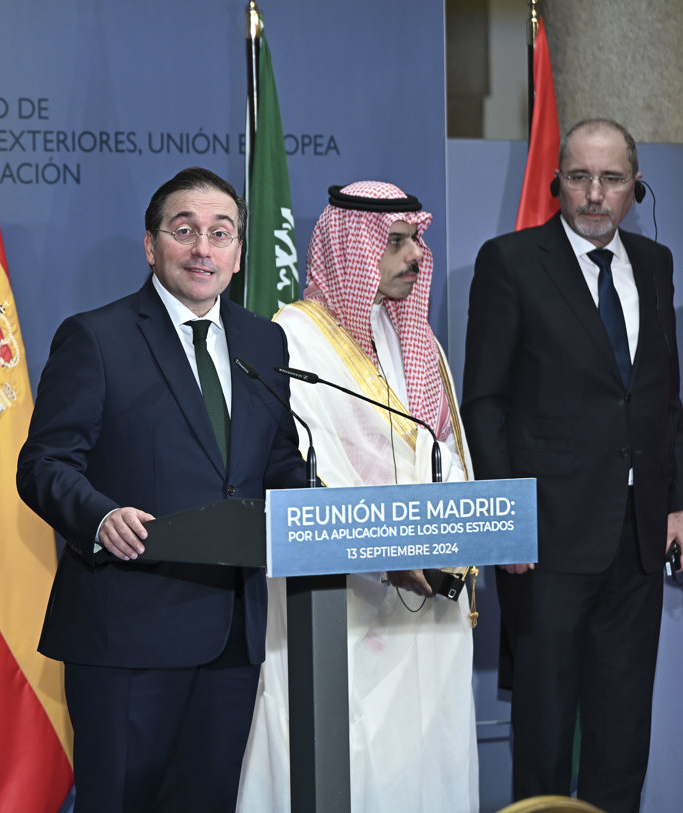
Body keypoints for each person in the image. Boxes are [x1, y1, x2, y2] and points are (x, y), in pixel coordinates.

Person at [16, 166, 307, 812]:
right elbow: (43, 463)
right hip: (128, 637)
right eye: (185, 230)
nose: (204, 248)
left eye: (221, 233)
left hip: (231, 638)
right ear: (151, 245)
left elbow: (278, 461)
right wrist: (99, 515)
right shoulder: (97, 337)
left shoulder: (264, 340)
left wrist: (316, 508)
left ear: (237, 253)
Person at [237, 181, 479, 813]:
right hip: (344, 594)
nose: (414, 257)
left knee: (425, 750)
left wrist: (454, 543)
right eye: (394, 243)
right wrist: (391, 550)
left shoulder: (413, 337)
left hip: (426, 582)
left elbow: (442, 453)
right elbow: (309, 464)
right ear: (352, 248)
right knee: (345, 752)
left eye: (415, 241)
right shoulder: (292, 338)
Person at [463, 118, 682, 811]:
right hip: (548, 539)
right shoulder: (510, 262)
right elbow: (486, 401)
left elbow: (660, 395)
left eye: (611, 179)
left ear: (635, 186)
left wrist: (674, 499)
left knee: (623, 732)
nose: (593, 194)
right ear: (557, 181)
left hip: (639, 535)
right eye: (579, 177)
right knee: (546, 731)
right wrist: (506, 521)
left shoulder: (655, 262)